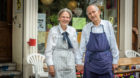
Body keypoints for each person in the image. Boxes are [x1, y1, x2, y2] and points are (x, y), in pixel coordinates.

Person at [77, 4, 119, 78]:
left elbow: (113, 44)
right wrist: (79, 62)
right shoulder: (86, 28)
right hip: (90, 62)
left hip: (105, 61)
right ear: (88, 16)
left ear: (99, 12)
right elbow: (82, 48)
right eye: (89, 13)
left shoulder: (108, 25)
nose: (92, 15)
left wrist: (115, 60)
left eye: (94, 12)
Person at [45, 8, 80, 78]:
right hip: (57, 62)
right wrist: (50, 65)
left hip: (70, 62)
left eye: (67, 17)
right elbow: (48, 50)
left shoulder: (72, 30)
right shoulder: (53, 30)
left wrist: (78, 62)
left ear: (70, 19)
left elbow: (75, 49)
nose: (65, 19)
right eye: (63, 17)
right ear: (59, 18)